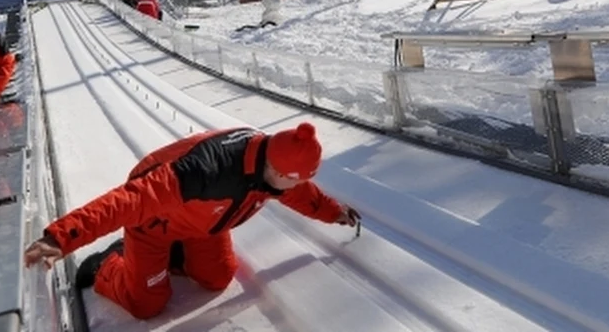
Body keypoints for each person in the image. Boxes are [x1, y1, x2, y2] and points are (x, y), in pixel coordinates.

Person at [22, 123, 361, 320]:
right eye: (295, 180)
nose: (296, 188)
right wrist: (63, 237)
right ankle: (109, 265)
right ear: (276, 170)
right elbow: (130, 201)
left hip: (203, 225)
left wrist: (335, 213)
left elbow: (303, 194)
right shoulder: (207, 170)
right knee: (147, 305)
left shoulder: (276, 167)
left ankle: (174, 257)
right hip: (155, 223)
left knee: (218, 277)